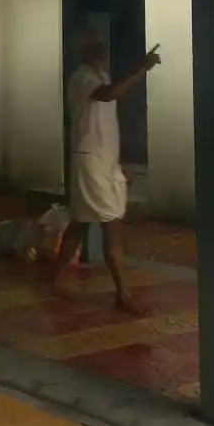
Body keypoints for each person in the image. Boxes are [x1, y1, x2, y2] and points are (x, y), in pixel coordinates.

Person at [53, 29, 161, 314]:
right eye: (95, 47)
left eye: (102, 46)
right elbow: (109, 95)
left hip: (103, 160)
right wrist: (142, 68)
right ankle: (123, 294)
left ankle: (60, 280)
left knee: (80, 221)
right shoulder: (82, 79)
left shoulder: (100, 76)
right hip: (91, 163)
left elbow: (105, 125)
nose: (101, 51)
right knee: (109, 226)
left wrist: (119, 160)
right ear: (84, 52)